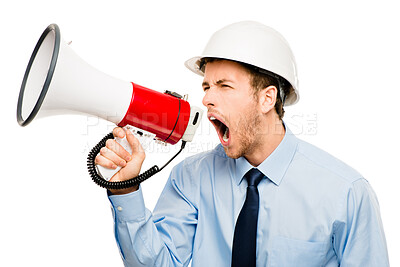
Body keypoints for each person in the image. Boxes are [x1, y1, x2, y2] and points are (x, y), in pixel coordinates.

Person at [95, 21, 389, 266]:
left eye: (224, 86)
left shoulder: (345, 192)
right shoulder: (190, 178)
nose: (207, 98)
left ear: (267, 98)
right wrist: (127, 189)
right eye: (207, 86)